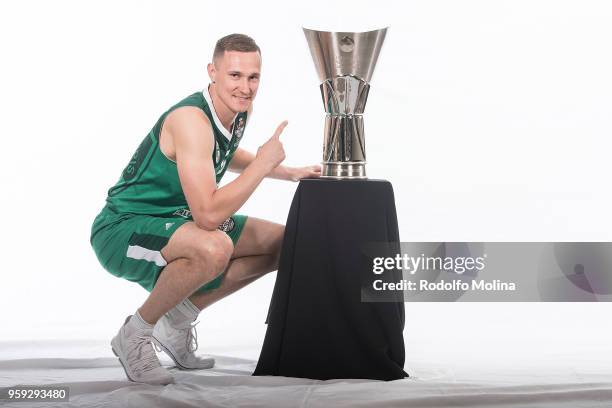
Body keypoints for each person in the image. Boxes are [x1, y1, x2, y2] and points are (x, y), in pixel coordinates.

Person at [90, 33, 320, 385]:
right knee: (214, 246)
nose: (245, 87)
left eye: (253, 77)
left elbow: (220, 155)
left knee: (286, 244)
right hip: (123, 228)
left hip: (173, 221)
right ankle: (134, 335)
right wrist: (263, 163)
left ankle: (176, 321)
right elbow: (208, 216)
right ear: (212, 72)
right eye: (234, 75)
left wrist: (286, 172)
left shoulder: (238, 110)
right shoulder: (191, 121)